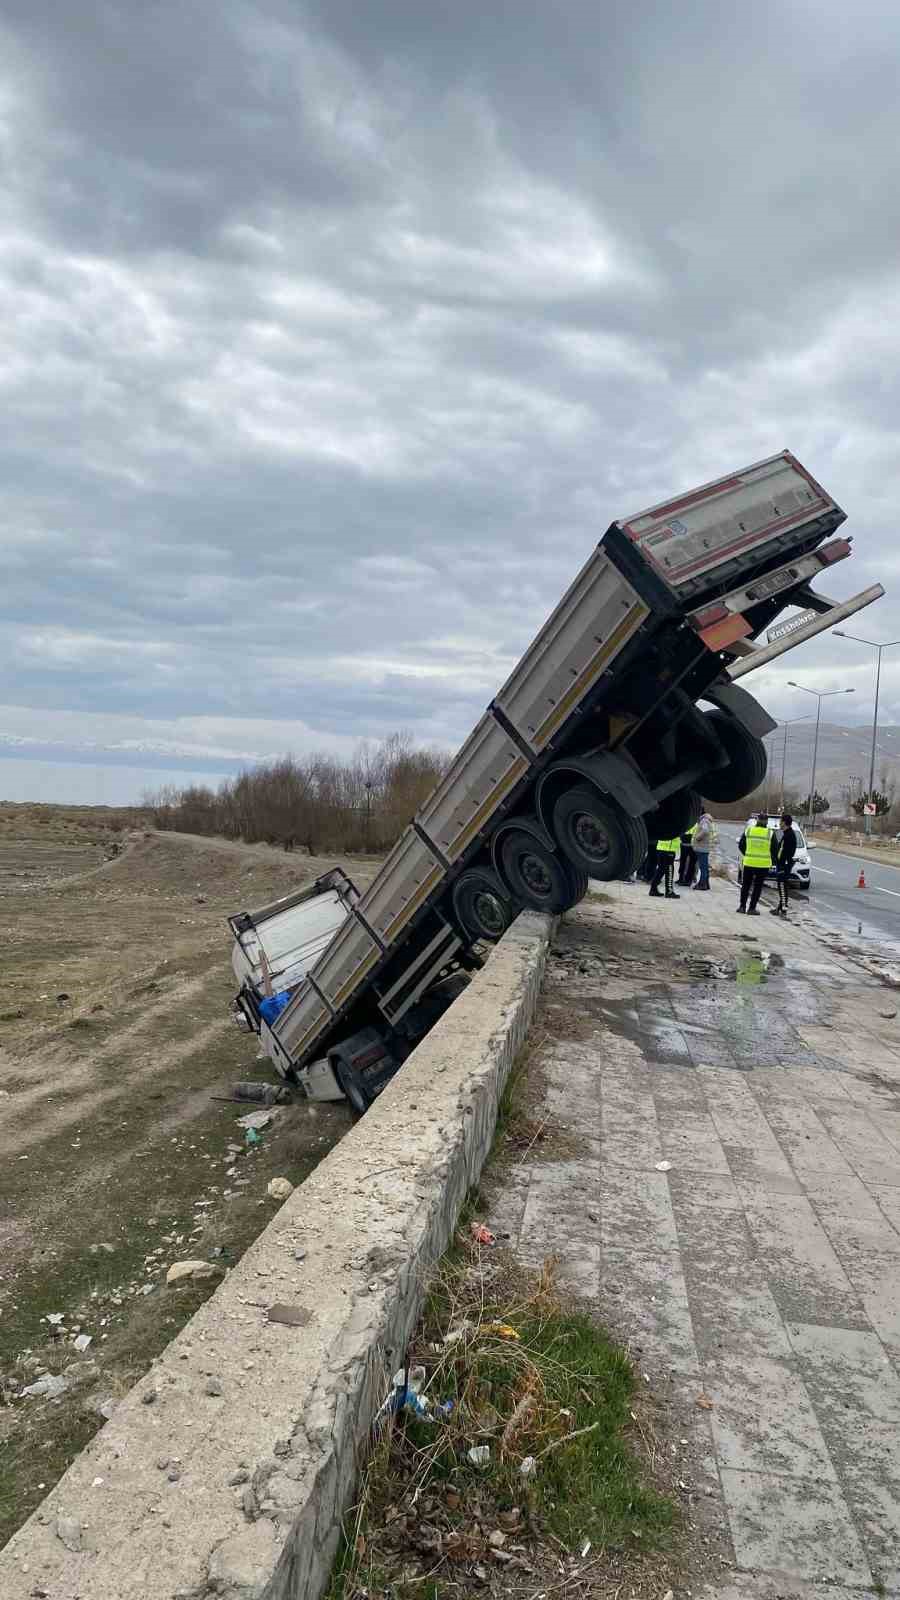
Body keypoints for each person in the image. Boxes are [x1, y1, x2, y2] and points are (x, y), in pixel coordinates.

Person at [737, 813, 771, 915]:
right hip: (763, 865)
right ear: (766, 822)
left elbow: (741, 845)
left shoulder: (749, 830)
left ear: (757, 820)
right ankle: (752, 908)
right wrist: (771, 860)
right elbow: (775, 849)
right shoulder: (769, 833)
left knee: (746, 885)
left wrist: (747, 854)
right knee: (757, 886)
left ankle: (742, 907)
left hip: (749, 863)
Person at [771, 812, 797, 916]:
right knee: (782, 885)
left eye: (780, 821)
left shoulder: (789, 835)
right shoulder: (787, 834)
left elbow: (786, 852)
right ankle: (781, 907)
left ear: (784, 822)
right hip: (783, 864)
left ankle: (783, 908)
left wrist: (782, 864)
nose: (779, 823)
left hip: (784, 865)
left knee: (782, 885)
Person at [692, 810, 716, 890]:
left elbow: (705, 831)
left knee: (703, 868)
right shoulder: (707, 820)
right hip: (705, 847)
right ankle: (706, 884)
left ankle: (702, 885)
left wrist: (697, 838)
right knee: (704, 867)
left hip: (702, 848)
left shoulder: (704, 820)